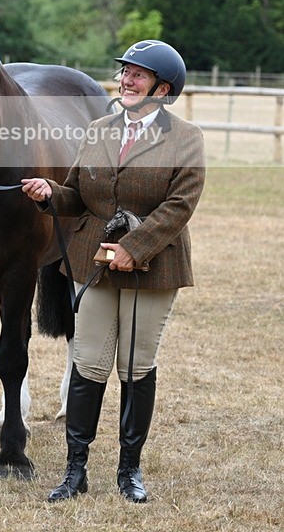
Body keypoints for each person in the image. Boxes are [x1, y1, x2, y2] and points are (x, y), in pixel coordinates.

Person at [22, 39, 206, 504]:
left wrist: (133, 247)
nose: (125, 79)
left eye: (138, 75)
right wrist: (50, 193)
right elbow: (78, 195)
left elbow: (179, 206)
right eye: (124, 71)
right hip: (93, 264)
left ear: (163, 90)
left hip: (153, 266)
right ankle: (74, 470)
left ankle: (129, 471)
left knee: (135, 366)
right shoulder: (99, 128)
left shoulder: (186, 139)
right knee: (88, 363)